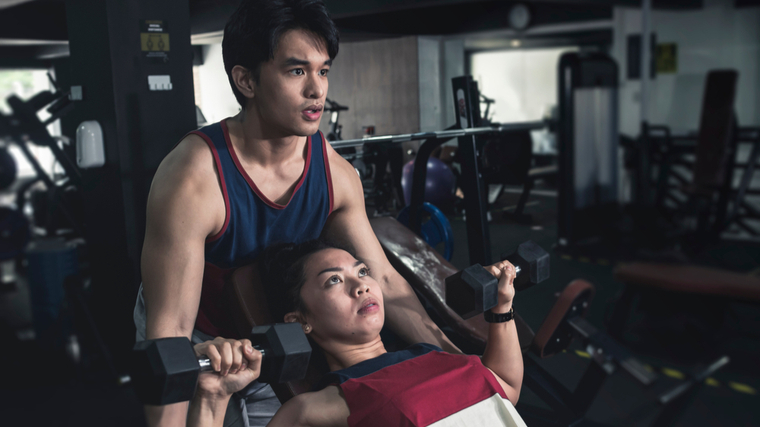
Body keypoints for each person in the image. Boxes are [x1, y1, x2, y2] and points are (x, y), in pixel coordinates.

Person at [133, 1, 459, 426]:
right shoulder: (193, 178)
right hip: (199, 330)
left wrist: (456, 361)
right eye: (296, 71)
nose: (317, 90)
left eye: (323, 71)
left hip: (277, 321)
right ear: (246, 80)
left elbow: (384, 280)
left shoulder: (335, 174)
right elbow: (171, 332)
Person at [188, 240, 526, 427]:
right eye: (334, 280)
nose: (361, 285)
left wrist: (502, 307)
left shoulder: (434, 354)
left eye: (362, 271)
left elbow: (505, 388)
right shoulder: (313, 409)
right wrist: (212, 398)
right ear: (300, 321)